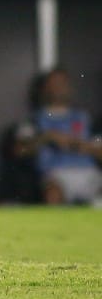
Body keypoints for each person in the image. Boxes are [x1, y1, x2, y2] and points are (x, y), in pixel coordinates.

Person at [14, 68, 101, 204]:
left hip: (88, 172)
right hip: (55, 174)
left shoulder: (85, 118)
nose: (58, 88)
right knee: (52, 194)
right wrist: (47, 138)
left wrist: (81, 146)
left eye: (61, 83)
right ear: (44, 89)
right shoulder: (33, 120)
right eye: (53, 84)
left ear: (69, 87)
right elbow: (19, 150)